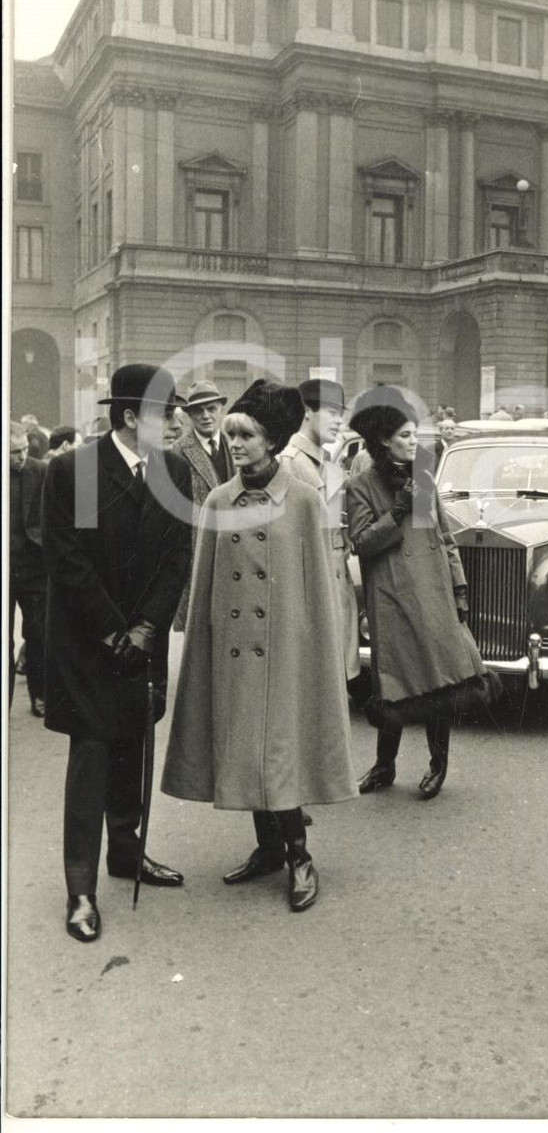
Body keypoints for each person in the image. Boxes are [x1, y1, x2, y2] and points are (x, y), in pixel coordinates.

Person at [162, 380, 357, 912]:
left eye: (247, 434)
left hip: (284, 650)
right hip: (233, 649)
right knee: (245, 745)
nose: (237, 443)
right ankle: (268, 849)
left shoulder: (302, 499)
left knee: (277, 751)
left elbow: (316, 592)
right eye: (232, 434)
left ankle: (299, 855)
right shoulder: (220, 500)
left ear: (271, 440)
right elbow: (206, 584)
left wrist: (316, 653)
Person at [41, 365, 192, 943]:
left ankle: (126, 856)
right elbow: (70, 562)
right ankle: (80, 888)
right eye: (166, 414)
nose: (175, 424)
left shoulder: (174, 471)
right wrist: (114, 633)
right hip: (90, 645)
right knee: (92, 760)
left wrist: (149, 629)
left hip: (142, 644)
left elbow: (177, 556)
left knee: (135, 746)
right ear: (131, 418)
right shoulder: (76, 472)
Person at [346, 387, 489, 801]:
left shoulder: (422, 477)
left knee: (438, 681)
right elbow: (362, 542)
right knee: (392, 683)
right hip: (392, 597)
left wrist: (459, 589)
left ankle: (437, 765)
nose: (415, 442)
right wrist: (398, 510)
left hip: (433, 594)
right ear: (385, 440)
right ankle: (384, 766)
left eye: (415, 435)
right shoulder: (362, 486)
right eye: (406, 436)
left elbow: (444, 540)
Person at [279, 378, 361, 691]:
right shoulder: (290, 463)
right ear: (306, 413)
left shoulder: (327, 462)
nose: (339, 419)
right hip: (312, 593)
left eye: (341, 411)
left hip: (336, 586)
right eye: (330, 411)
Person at [170, 380, 235, 630]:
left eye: (211, 408)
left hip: (236, 549)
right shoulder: (179, 452)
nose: (206, 416)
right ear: (189, 416)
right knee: (200, 629)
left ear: (221, 409)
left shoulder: (236, 444)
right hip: (199, 553)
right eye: (198, 410)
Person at [9, 423, 48, 715]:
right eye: (13, 452)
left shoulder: (40, 470)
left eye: (24, 449)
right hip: (4, 570)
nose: (21, 456)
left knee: (37, 634)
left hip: (34, 567)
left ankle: (40, 696)